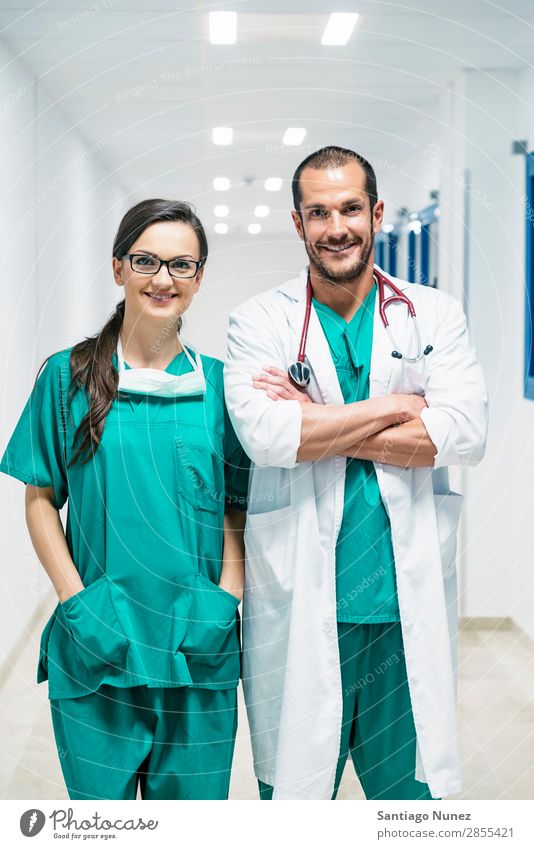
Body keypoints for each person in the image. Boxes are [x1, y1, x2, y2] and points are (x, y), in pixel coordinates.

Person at [224, 146, 488, 800]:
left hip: (403, 611)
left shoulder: (434, 314)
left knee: (410, 807)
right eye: (318, 212)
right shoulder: (259, 320)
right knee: (297, 805)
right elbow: (269, 436)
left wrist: (320, 420)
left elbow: (461, 433)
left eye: (349, 208)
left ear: (375, 213)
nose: (335, 226)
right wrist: (399, 406)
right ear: (297, 223)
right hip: (303, 600)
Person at [0, 199, 249, 800]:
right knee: (101, 827)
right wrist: (75, 602)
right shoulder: (68, 377)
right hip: (99, 641)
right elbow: (40, 499)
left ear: (199, 277)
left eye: (181, 265)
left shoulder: (221, 387)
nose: (163, 279)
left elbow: (234, 508)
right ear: (118, 268)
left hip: (199, 643)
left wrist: (227, 602)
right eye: (146, 260)